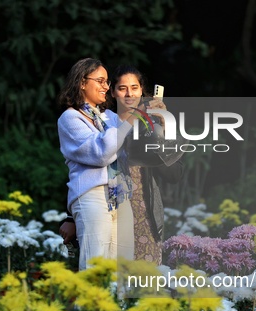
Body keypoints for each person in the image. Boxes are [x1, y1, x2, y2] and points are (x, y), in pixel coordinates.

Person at [60, 64, 183, 264]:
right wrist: (71, 217)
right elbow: (89, 165)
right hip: (101, 198)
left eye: (135, 88)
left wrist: (161, 126)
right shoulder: (81, 118)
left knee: (123, 275)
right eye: (119, 87)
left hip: (130, 204)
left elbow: (173, 170)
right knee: (97, 267)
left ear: (143, 91)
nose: (128, 94)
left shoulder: (111, 120)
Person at [57, 58, 135, 271]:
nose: (106, 87)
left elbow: (140, 147)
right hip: (92, 195)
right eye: (100, 81)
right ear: (82, 82)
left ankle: (118, 305)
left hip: (120, 196)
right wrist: (128, 121)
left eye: (107, 82)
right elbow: (102, 154)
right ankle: (91, 305)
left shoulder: (109, 116)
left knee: (122, 267)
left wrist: (157, 120)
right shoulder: (70, 119)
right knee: (95, 265)